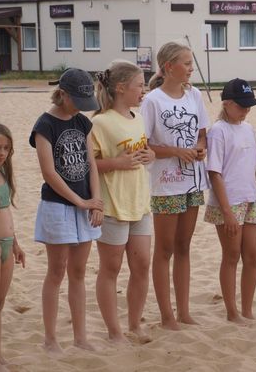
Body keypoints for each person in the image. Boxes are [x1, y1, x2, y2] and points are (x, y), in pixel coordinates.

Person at [29, 68, 103, 353]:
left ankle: (80, 338)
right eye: (77, 102)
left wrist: (95, 200)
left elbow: (91, 164)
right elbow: (49, 173)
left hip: (84, 204)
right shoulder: (45, 125)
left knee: (79, 272)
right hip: (57, 206)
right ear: (62, 94)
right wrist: (80, 202)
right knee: (56, 271)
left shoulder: (82, 122)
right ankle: (50, 339)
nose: (81, 109)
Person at [140, 41, 209, 329]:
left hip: (193, 181)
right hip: (166, 183)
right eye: (187, 63)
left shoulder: (194, 95)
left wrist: (200, 148)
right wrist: (175, 151)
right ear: (169, 67)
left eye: (192, 63)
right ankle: (167, 316)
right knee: (165, 249)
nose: (192, 68)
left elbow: (202, 133)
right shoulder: (152, 101)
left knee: (184, 247)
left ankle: (184, 312)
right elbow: (144, 144)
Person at [91, 61, 155, 344]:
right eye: (139, 85)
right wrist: (117, 163)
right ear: (120, 88)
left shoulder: (137, 117)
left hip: (140, 203)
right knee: (111, 269)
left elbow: (143, 150)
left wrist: (150, 155)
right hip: (113, 205)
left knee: (141, 267)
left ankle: (134, 324)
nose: (144, 90)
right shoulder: (100, 122)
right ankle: (114, 331)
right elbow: (88, 164)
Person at [204, 78, 256, 323]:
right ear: (226, 103)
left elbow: (252, 167)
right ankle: (232, 311)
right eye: (241, 106)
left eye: (249, 106)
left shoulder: (248, 128)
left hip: (250, 199)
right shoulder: (218, 131)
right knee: (231, 255)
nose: (246, 110)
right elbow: (214, 172)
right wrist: (227, 211)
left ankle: (247, 309)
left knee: (253, 255)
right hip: (228, 201)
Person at [0, 121, 26, 370]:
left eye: (6, 148)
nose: (2, 153)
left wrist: (15, 244)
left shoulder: (2, 171)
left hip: (6, 244)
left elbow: (5, 212)